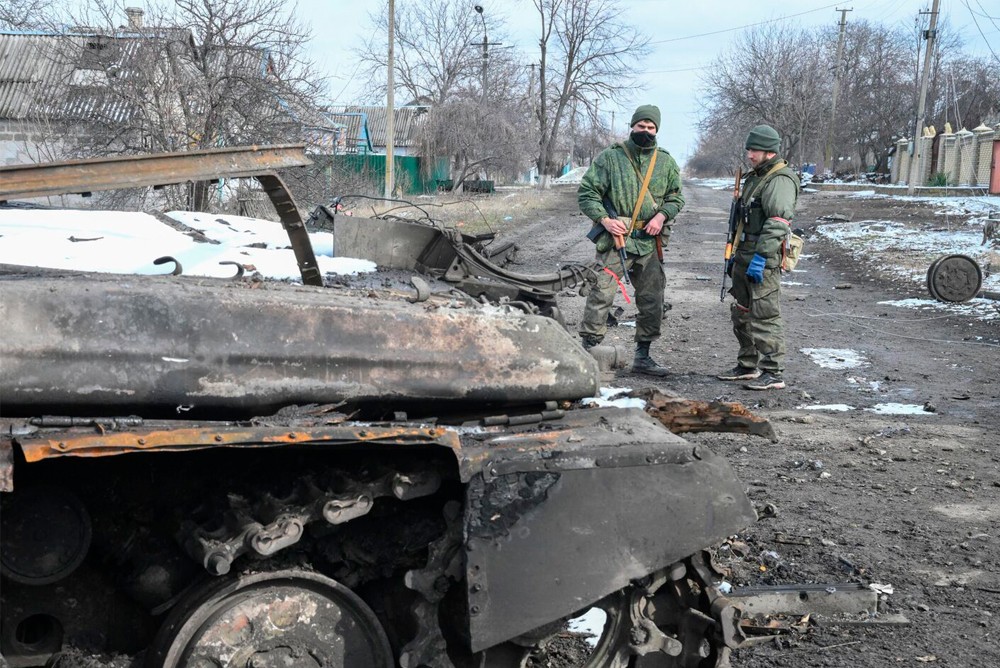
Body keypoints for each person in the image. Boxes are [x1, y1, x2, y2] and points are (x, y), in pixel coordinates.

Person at [578, 104, 685, 376]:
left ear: (657, 129)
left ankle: (643, 357)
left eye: (651, 128)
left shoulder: (666, 162)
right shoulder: (610, 158)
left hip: (649, 244)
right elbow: (587, 192)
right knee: (600, 293)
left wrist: (661, 216)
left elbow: (676, 197)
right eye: (641, 126)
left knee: (652, 299)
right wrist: (604, 219)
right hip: (616, 241)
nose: (646, 132)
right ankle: (588, 353)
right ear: (632, 126)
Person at [718, 124, 799, 390]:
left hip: (762, 257)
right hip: (744, 253)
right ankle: (747, 364)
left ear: (768, 151)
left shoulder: (780, 180)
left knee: (764, 314)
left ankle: (773, 371)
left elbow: (777, 222)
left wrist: (762, 257)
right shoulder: (756, 176)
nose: (749, 155)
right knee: (741, 312)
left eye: (754, 150)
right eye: (749, 149)